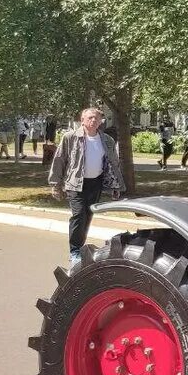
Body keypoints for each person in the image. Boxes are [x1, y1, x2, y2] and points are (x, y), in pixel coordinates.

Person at [48, 107, 126, 269]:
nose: (94, 121)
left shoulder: (106, 140)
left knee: (88, 215)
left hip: (95, 183)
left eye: (97, 118)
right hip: (75, 183)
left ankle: (80, 246)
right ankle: (75, 251)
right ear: (82, 120)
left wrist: (116, 185)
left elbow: (113, 164)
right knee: (78, 215)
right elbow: (59, 160)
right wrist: (55, 184)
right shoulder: (71, 137)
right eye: (90, 118)